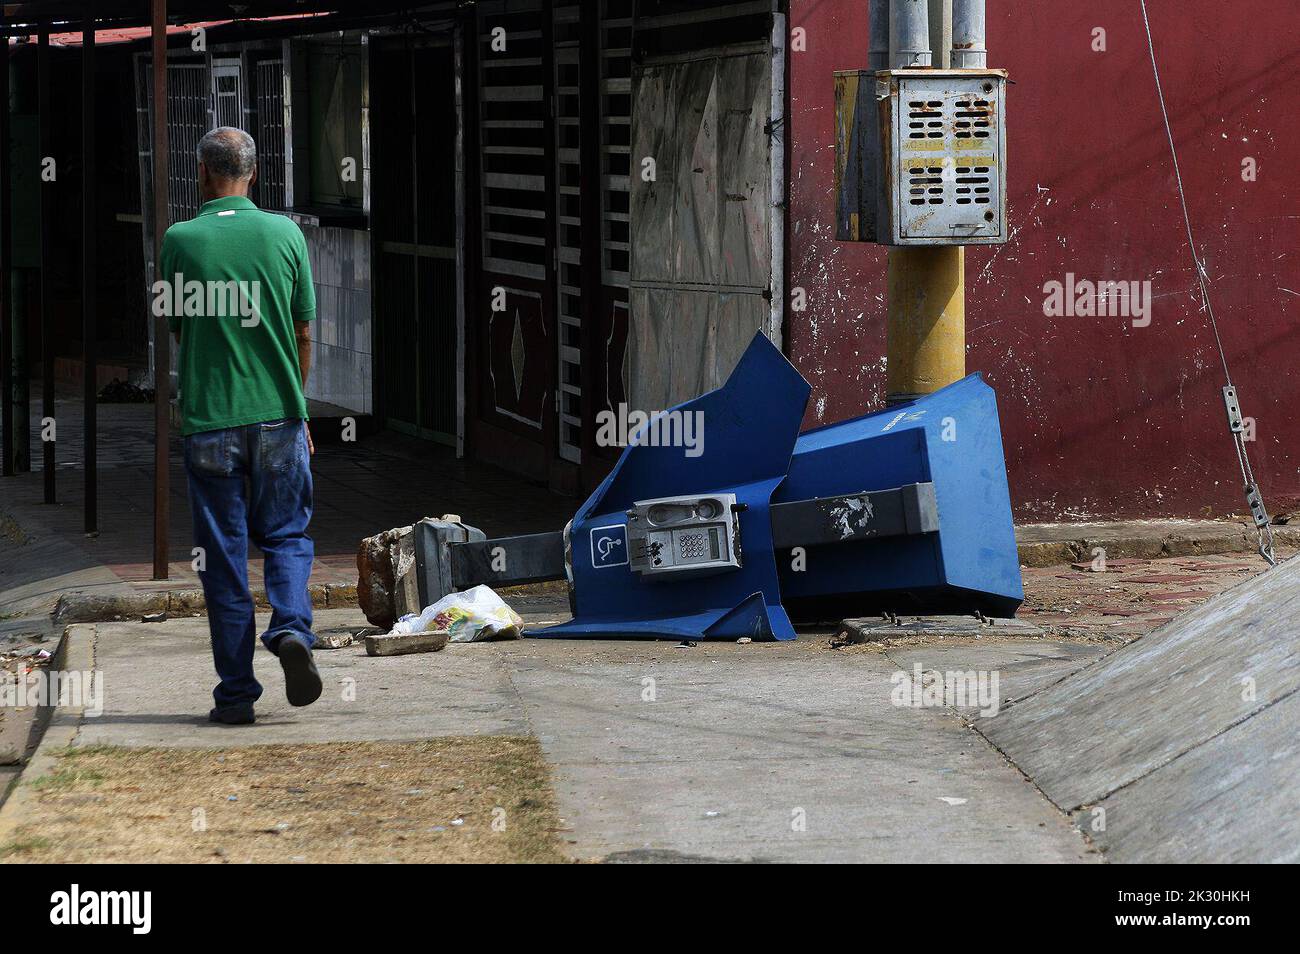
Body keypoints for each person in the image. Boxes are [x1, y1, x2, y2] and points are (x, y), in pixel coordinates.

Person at [160, 126, 322, 725]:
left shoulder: (180, 240)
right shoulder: (286, 234)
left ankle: (235, 698)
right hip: (280, 417)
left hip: (209, 424)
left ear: (202, 174)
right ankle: (291, 630)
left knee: (222, 558)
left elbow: (179, 327)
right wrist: (299, 407)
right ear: (255, 174)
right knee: (286, 536)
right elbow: (305, 333)